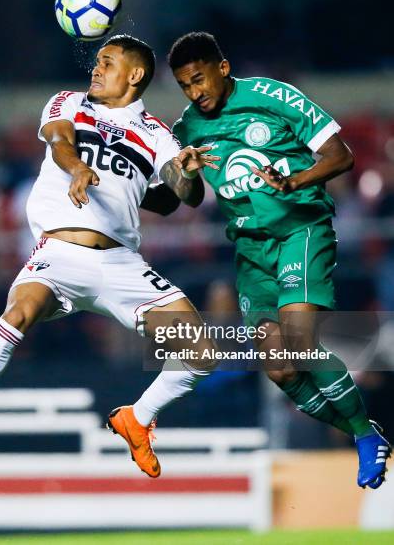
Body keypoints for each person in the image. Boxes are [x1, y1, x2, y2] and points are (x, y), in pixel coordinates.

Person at [0, 35, 220, 479]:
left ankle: (137, 418)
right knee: (18, 313)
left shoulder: (156, 133)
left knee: (202, 350)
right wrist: (78, 168)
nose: (95, 69)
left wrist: (185, 172)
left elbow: (182, 198)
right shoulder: (68, 103)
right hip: (58, 255)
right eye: (97, 61)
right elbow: (60, 142)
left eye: (108, 62)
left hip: (121, 264)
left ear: (134, 75)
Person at [167, 31, 391, 489]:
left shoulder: (274, 96)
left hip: (300, 231)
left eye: (199, 79)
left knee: (297, 341)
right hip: (251, 251)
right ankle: (364, 432)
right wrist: (184, 173)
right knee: (281, 367)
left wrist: (295, 181)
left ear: (222, 67)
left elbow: (341, 156)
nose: (195, 92)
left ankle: (366, 438)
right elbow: (188, 200)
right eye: (185, 86)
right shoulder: (186, 128)